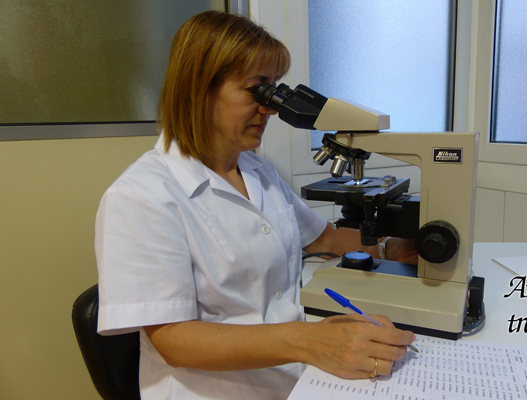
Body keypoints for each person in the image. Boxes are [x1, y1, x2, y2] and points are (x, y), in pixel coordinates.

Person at [96, 10, 417, 400]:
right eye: (257, 90)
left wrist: (392, 249)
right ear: (197, 88)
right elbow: (174, 341)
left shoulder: (255, 169)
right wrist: (310, 341)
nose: (271, 108)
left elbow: (324, 238)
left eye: (274, 90)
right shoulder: (141, 197)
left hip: (296, 375)